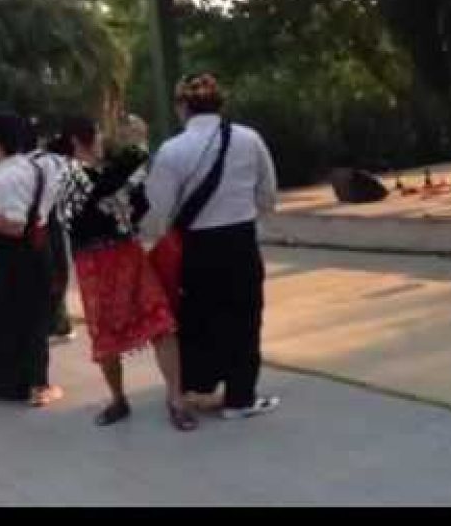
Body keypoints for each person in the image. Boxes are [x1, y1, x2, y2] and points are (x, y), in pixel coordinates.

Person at [142, 72, 280, 419]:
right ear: (221, 103)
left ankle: (197, 387)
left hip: (196, 246)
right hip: (240, 240)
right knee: (245, 318)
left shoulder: (172, 150)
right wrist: (246, 215)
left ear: (182, 107)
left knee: (198, 316)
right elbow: (268, 193)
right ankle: (240, 398)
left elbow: (156, 214)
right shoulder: (249, 139)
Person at [55, 115, 198, 430]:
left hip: (128, 253)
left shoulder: (107, 170)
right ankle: (118, 399)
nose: (104, 139)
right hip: (96, 262)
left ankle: (175, 398)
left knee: (162, 322)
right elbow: (99, 193)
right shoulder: (68, 174)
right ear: (81, 140)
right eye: (98, 134)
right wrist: (135, 150)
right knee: (106, 336)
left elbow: (138, 205)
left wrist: (138, 185)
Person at [0, 113, 63, 407]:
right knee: (19, 318)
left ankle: (33, 386)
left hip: (16, 255)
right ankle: (12, 383)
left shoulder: (8, 177)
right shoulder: (36, 166)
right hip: (35, 249)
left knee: (21, 320)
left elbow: (14, 226)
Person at [24, 124, 75, 344]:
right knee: (55, 270)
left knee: (48, 272)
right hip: (48, 220)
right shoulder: (50, 160)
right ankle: (56, 321)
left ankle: (53, 321)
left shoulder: (27, 164)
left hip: (37, 221)